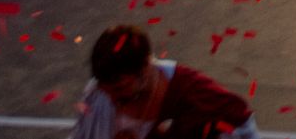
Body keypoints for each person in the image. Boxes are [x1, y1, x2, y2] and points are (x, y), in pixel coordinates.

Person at [66, 24, 257, 139]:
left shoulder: (193, 95)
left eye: (120, 88)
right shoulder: (98, 93)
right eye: (104, 88)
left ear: (145, 68)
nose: (112, 98)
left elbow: (241, 125)